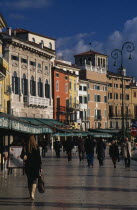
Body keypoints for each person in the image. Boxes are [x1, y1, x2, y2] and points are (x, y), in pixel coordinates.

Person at [20, 135, 42, 200]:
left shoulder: (25, 147)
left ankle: (30, 195)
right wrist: (40, 167)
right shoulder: (36, 147)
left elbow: (21, 156)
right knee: (34, 180)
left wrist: (25, 157)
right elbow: (39, 158)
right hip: (36, 166)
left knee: (29, 180)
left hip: (28, 166)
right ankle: (33, 194)